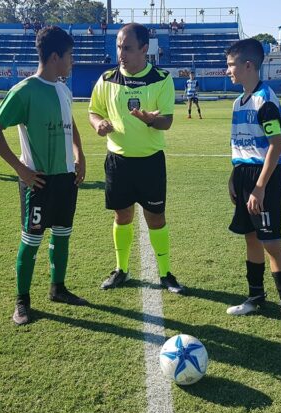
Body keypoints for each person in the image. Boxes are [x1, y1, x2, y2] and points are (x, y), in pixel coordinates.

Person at [0, 26, 88, 325]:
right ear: (55, 56)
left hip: (66, 178)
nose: (72, 61)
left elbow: (72, 124)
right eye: (69, 56)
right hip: (39, 181)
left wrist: (80, 154)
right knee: (31, 241)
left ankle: (58, 288)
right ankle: (22, 302)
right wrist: (21, 169)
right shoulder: (25, 90)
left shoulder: (64, 88)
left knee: (63, 235)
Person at [88, 23, 184, 294]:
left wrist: (149, 119)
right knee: (122, 216)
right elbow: (93, 111)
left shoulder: (161, 78)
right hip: (118, 161)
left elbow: (167, 122)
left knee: (156, 218)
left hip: (150, 161)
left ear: (144, 49)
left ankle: (165, 273)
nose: (121, 53)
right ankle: (121, 269)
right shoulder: (106, 79)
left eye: (127, 48)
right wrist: (97, 124)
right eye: (119, 47)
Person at [224, 38, 281, 341]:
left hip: (265, 177)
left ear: (248, 66)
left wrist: (259, 188)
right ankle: (256, 297)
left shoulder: (265, 100)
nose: (228, 70)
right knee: (251, 238)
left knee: (271, 242)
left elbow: (276, 146)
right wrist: (235, 178)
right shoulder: (238, 102)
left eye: (231, 65)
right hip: (245, 174)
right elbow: (241, 146)